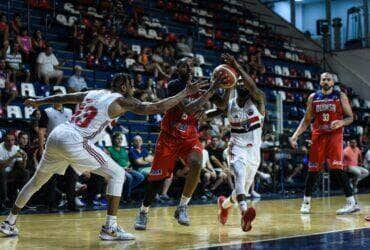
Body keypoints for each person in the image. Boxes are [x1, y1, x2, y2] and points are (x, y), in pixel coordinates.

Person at [0, 73, 205, 240]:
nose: (133, 88)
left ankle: (9, 222)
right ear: (124, 86)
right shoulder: (122, 100)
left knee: (36, 181)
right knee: (117, 174)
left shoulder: (94, 92)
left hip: (58, 134)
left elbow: (63, 98)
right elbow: (156, 107)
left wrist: (38, 101)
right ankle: (110, 228)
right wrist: (186, 92)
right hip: (74, 139)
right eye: (131, 85)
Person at [134, 57, 224, 230]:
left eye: (191, 64)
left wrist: (225, 87)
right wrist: (211, 90)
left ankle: (182, 206)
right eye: (184, 65)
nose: (188, 67)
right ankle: (143, 211)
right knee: (156, 182)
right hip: (169, 138)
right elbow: (189, 108)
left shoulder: (202, 84)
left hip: (189, 137)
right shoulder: (174, 85)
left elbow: (222, 105)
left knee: (197, 163)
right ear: (178, 69)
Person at [206, 54, 265, 232]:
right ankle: (245, 214)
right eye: (238, 81)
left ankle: (223, 206)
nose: (241, 83)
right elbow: (215, 108)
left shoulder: (258, 100)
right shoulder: (229, 104)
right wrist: (215, 84)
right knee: (239, 177)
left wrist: (236, 65)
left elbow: (253, 87)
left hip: (254, 152)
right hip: (236, 147)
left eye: (244, 81)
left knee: (241, 191)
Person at [289, 72, 359, 215]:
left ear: (333, 83)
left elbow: (350, 117)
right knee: (313, 170)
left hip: (334, 135)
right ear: (320, 82)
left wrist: (340, 122)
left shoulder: (340, 96)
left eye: (329, 79)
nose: (326, 81)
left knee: (337, 169)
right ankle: (306, 203)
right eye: (323, 79)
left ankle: (352, 203)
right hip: (318, 136)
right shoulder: (313, 97)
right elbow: (306, 120)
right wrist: (295, 136)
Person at [107, 132, 144, 202]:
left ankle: (124, 191)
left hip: (126, 169)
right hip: (117, 169)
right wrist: (122, 168)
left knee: (140, 177)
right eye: (117, 139)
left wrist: (129, 166)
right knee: (129, 177)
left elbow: (128, 161)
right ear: (113, 139)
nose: (119, 140)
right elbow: (110, 163)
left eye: (121, 139)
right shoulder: (109, 149)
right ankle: (127, 197)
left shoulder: (124, 150)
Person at [0, 133, 28, 210]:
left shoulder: (16, 148)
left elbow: (22, 167)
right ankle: (4, 201)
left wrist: (24, 158)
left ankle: (22, 200)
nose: (10, 142)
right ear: (4, 141)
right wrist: (13, 157)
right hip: (1, 172)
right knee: (2, 173)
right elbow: (1, 166)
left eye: (12, 140)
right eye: (8, 140)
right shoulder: (0, 148)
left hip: (11, 172)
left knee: (25, 173)